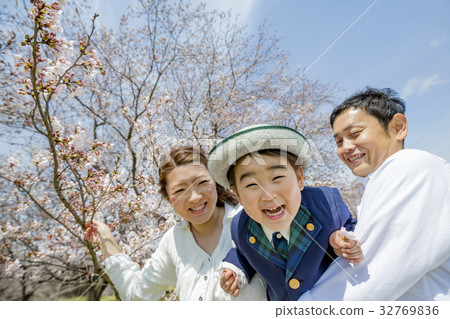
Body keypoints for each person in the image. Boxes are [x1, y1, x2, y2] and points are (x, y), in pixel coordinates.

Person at [299, 87, 450, 301]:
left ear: (398, 127)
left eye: (354, 134)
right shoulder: (381, 180)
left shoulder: (411, 167)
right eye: (339, 141)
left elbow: (376, 271)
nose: (346, 147)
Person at [84, 146, 267, 301]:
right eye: (180, 190)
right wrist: (106, 240)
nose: (195, 197)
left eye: (202, 182)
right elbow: (137, 294)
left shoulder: (253, 221)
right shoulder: (173, 241)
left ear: (215, 181)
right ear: (167, 197)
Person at [206, 125, 363, 301]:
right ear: (238, 195)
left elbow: (352, 226)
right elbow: (242, 253)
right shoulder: (240, 226)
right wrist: (234, 269)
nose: (268, 195)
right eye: (251, 185)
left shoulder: (326, 204)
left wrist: (342, 239)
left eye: (277, 178)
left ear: (299, 178)